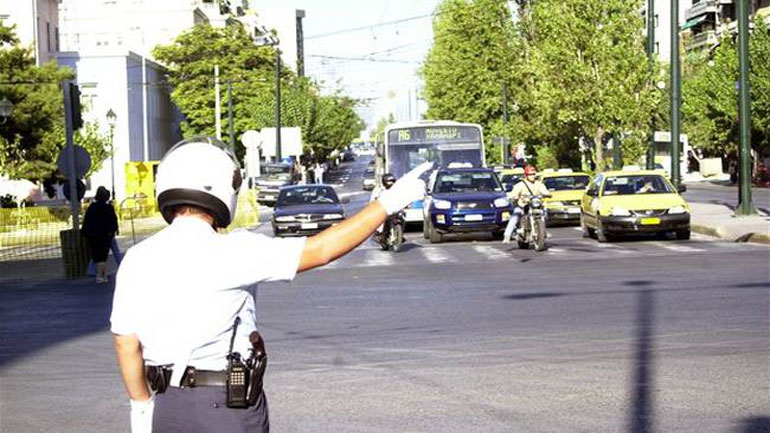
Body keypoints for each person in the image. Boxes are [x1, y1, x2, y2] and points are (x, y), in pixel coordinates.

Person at [110, 137, 431, 433]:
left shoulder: (137, 259)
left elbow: (126, 344)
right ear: (223, 188)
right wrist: (389, 202)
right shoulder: (235, 250)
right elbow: (321, 250)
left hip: (167, 408)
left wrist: (142, 408)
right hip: (225, 408)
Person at [502, 165, 550, 244]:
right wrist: (511, 197)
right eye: (530, 174)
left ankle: (542, 231)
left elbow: (544, 191)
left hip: (536, 206)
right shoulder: (520, 185)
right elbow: (513, 194)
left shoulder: (539, 184)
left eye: (534, 174)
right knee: (515, 216)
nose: (532, 176)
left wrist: (547, 194)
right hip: (523, 206)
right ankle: (507, 235)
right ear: (526, 175)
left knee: (544, 213)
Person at [81, 186, 119, 283]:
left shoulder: (92, 208)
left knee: (97, 257)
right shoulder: (108, 208)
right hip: (106, 235)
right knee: (103, 257)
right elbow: (113, 221)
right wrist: (114, 231)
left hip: (93, 236)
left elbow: (87, 221)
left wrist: (86, 233)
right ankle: (103, 275)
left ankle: (99, 275)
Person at [369, 173, 397, 238]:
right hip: (383, 209)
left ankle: (397, 232)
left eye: (392, 182)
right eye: (389, 181)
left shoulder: (396, 189)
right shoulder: (379, 190)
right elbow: (373, 200)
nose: (390, 183)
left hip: (393, 209)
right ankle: (379, 232)